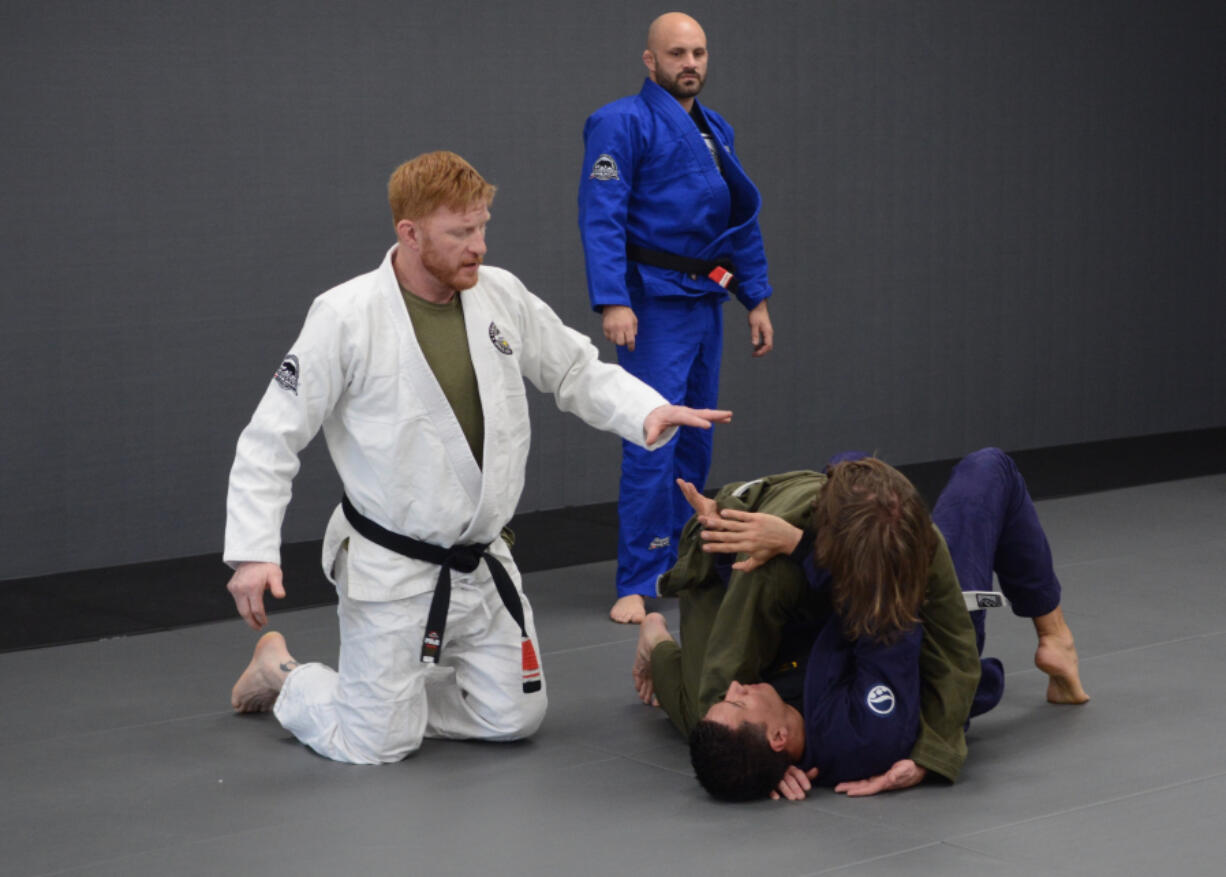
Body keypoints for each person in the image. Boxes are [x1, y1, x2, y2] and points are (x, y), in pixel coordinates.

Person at [225, 151, 731, 765]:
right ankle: (283, 670)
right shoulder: (346, 315)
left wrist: (643, 411)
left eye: (483, 226)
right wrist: (253, 551)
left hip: (482, 559)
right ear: (408, 233)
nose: (479, 246)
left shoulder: (499, 295)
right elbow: (271, 435)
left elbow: (573, 369)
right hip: (391, 566)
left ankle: (387, 695)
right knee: (375, 745)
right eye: (460, 233)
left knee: (514, 716)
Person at [635, 449, 1089, 800]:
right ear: (778, 739)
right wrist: (935, 751)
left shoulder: (719, 716)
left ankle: (664, 623)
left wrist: (656, 633)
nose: (736, 688)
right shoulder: (860, 734)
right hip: (907, 610)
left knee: (840, 485)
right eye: (736, 703)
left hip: (841, 601)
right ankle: (1055, 637)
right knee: (990, 468)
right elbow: (924, 644)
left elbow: (685, 687)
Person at [578, 12, 776, 624]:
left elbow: (738, 221)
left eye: (699, 52)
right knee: (651, 436)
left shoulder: (716, 129)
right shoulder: (620, 122)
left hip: (706, 298)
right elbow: (601, 213)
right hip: (653, 302)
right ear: (650, 60)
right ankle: (637, 578)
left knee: (696, 435)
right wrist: (614, 299)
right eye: (677, 53)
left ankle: (682, 561)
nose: (690, 63)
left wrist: (757, 297)